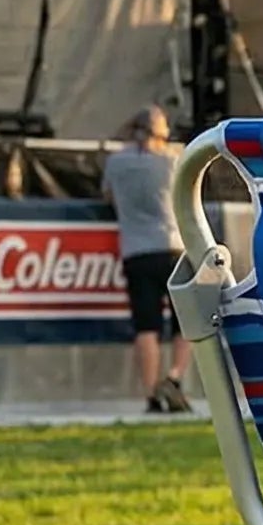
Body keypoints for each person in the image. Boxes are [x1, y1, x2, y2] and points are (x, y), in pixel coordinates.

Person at [103, 106, 191, 414]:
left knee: (147, 326)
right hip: (174, 247)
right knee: (186, 323)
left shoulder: (116, 163)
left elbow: (109, 198)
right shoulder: (173, 161)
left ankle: (152, 393)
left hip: (137, 251)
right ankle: (175, 377)